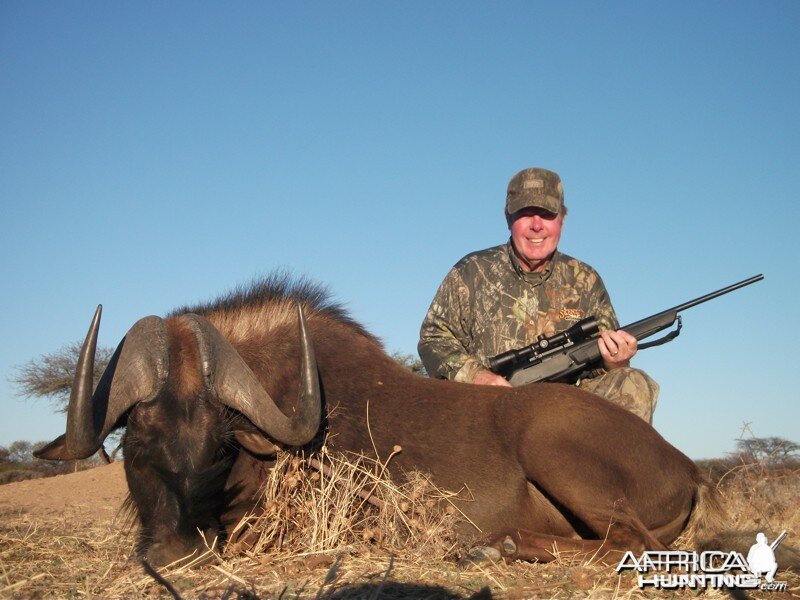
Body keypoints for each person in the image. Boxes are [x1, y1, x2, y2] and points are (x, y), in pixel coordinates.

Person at [417, 167, 659, 423]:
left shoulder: (586, 279)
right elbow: (433, 338)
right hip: (490, 412)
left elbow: (600, 369)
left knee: (634, 382)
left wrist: (616, 364)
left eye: (546, 214)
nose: (536, 225)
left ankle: (612, 464)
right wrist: (478, 377)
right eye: (525, 213)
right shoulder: (471, 271)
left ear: (562, 220)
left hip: (567, 411)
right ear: (508, 218)